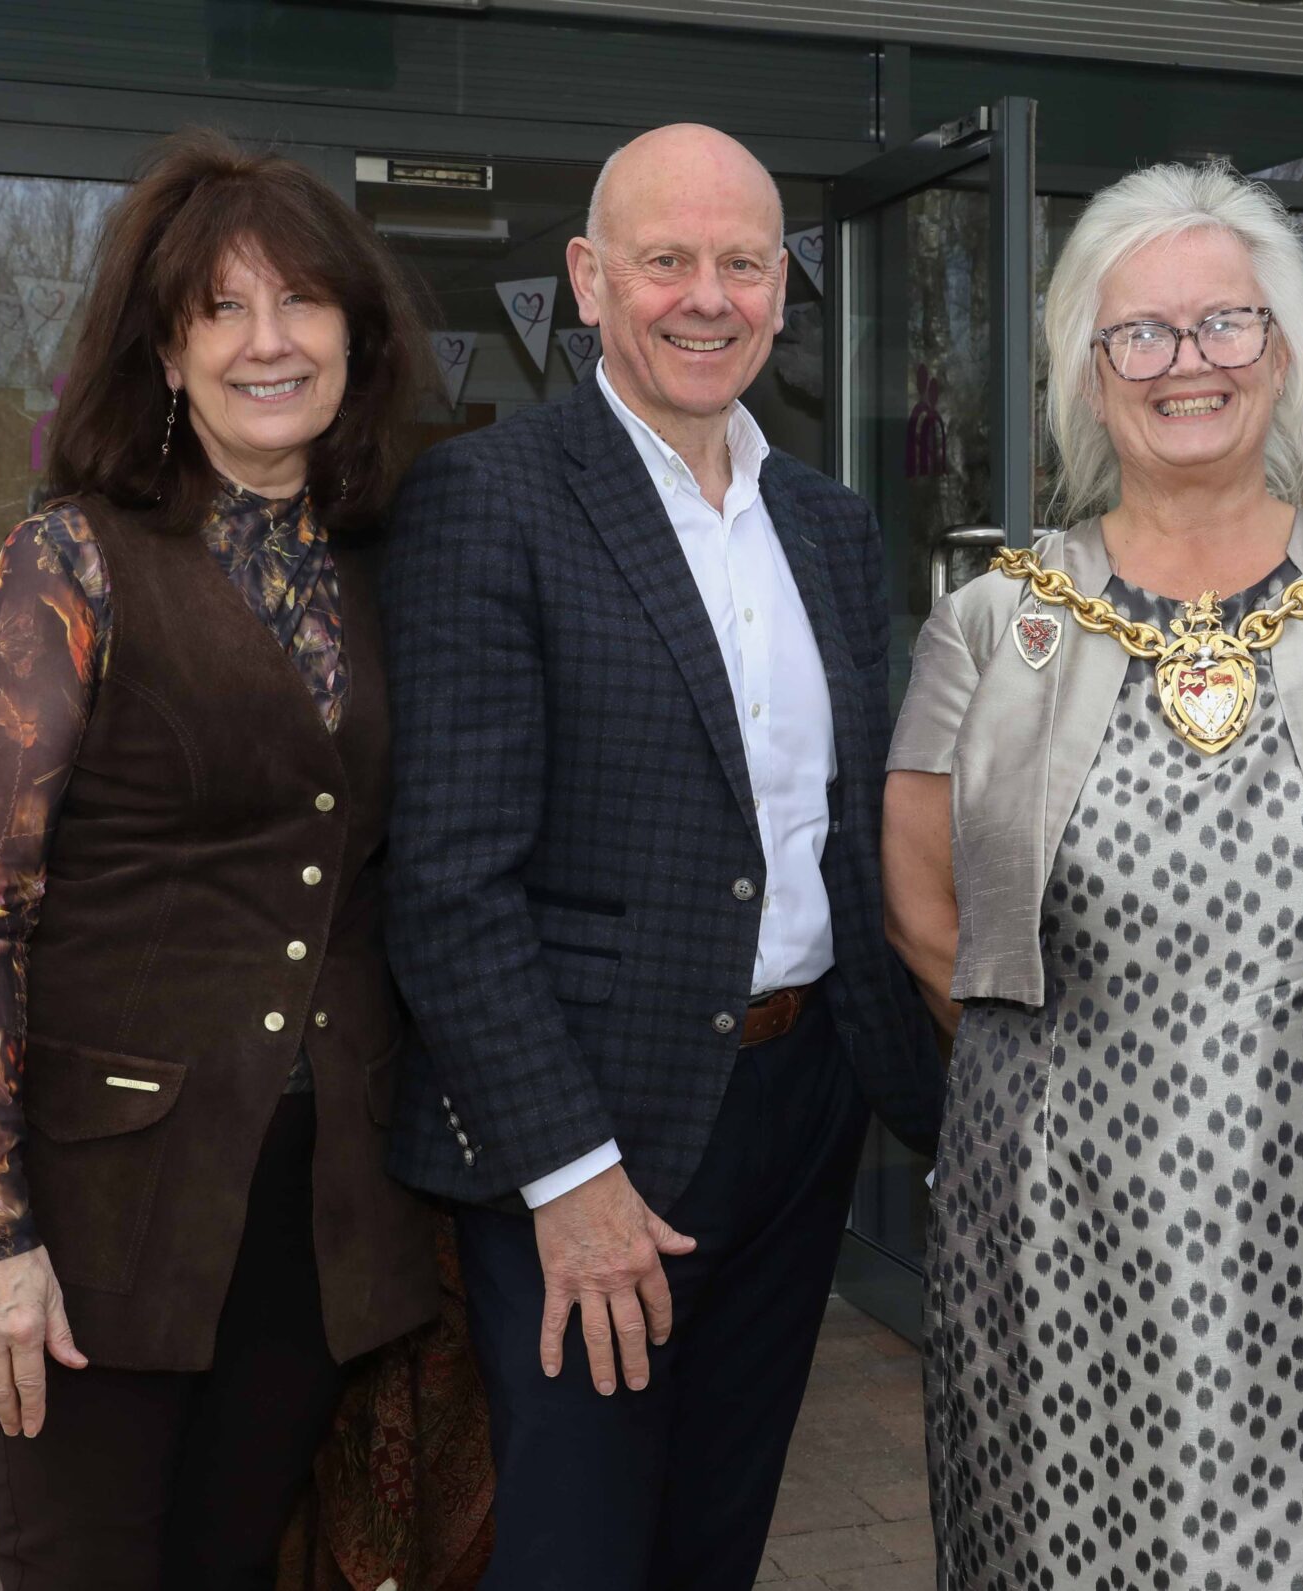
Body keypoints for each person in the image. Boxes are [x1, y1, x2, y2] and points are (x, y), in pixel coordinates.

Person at [883, 161, 1303, 1590]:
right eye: (1143, 333)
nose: (1189, 363)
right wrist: (1080, 1093)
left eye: (1225, 324)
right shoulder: (993, 626)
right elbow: (923, 912)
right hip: (1062, 1245)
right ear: (1087, 370)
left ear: (1284, 350)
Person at [378, 122, 942, 1591]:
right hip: (592, 1129)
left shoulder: (826, 520)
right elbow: (448, 883)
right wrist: (569, 1177)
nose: (708, 297)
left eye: (743, 263)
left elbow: (848, 826)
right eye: (667, 261)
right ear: (588, 280)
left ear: (782, 285)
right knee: (576, 1551)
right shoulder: (489, 499)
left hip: (802, 1104)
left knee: (716, 1534)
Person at [0, 129, 442, 1588]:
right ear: (166, 354)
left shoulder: (386, 562)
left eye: (303, 302)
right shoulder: (70, 562)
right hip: (102, 1209)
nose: (270, 341)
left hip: (316, 1203)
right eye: (223, 310)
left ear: (353, 336)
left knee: (234, 1560)